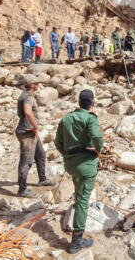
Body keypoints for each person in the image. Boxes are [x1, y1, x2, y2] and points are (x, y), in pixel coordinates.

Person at [55, 89, 103, 254]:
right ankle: (76, 241)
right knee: (83, 200)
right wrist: (99, 150)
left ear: (79, 103)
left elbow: (58, 143)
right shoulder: (90, 118)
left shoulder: (66, 118)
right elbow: (97, 137)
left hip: (70, 164)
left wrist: (68, 155)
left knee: (78, 193)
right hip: (86, 165)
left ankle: (75, 217)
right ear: (93, 103)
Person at [16, 77, 55, 198]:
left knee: (40, 154)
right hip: (27, 131)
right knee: (26, 161)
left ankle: (42, 179)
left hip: (29, 131)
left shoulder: (25, 95)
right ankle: (22, 189)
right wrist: (35, 126)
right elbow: (28, 112)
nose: (38, 84)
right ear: (31, 84)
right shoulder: (27, 97)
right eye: (36, 83)